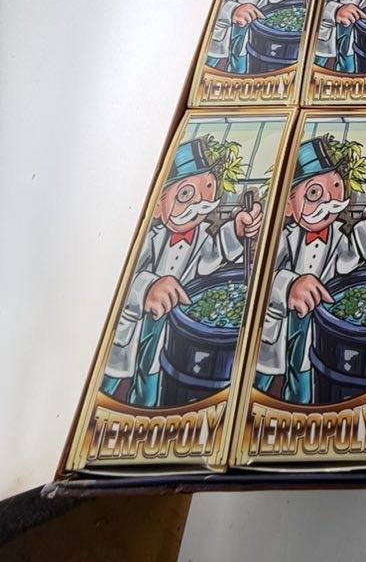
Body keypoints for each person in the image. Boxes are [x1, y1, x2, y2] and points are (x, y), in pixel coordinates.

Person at [102, 139, 261, 407]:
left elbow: (210, 258)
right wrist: (148, 288)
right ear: (157, 204)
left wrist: (236, 230)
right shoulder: (147, 238)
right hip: (130, 331)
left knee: (150, 384)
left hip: (170, 335)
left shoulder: (200, 236)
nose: (198, 203)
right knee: (111, 383)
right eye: (186, 194)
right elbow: (121, 278)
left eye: (208, 190)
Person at [254, 136, 366, 404]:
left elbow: (349, 259)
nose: (328, 202)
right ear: (288, 205)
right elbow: (261, 275)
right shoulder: (283, 239)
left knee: (304, 380)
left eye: (336, 188)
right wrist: (289, 286)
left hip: (319, 329)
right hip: (279, 325)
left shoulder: (337, 237)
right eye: (314, 194)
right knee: (261, 381)